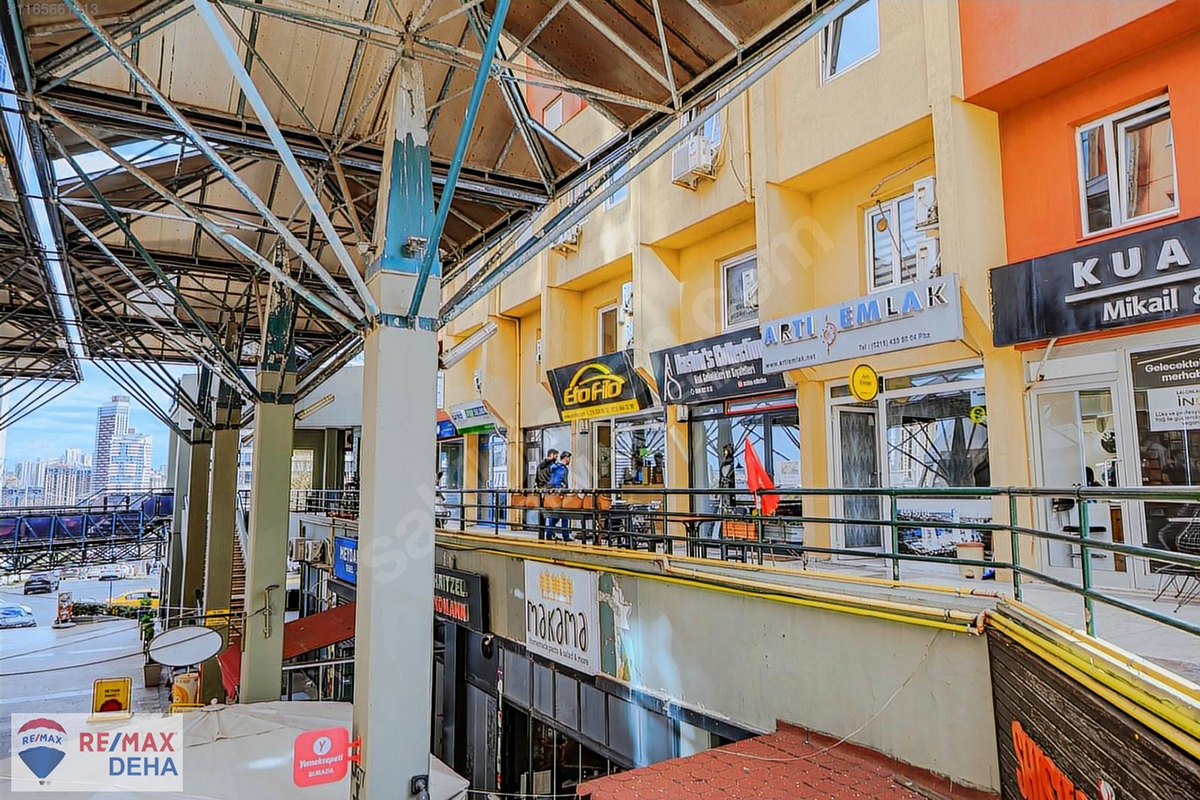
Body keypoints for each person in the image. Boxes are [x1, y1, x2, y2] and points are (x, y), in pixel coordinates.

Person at [547, 451, 573, 541]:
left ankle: (549, 534)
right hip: (560, 494)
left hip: (552, 494)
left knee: (553, 515)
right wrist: (562, 488)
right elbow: (559, 480)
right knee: (565, 515)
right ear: (566, 458)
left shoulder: (554, 467)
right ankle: (565, 536)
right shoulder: (563, 468)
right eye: (569, 458)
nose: (570, 460)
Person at [534, 450, 558, 539]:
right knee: (553, 513)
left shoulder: (539, 465)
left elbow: (536, 478)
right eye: (556, 456)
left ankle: (542, 533)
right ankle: (550, 534)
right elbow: (553, 479)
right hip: (549, 491)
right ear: (552, 455)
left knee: (542, 513)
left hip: (541, 490)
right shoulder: (552, 466)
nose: (557, 458)